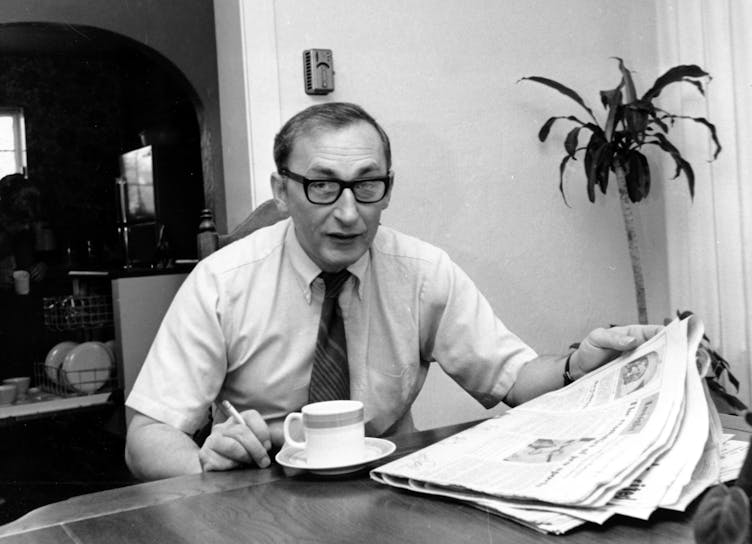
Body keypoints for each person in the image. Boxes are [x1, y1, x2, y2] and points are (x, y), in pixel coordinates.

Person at [125, 102, 661, 481]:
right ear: (281, 192)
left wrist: (576, 364)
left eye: (367, 184)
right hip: (258, 484)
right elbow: (147, 435)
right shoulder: (222, 282)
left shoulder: (424, 272)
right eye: (321, 185)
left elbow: (514, 379)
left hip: (385, 482)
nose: (348, 211)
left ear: (388, 189)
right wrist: (202, 463)